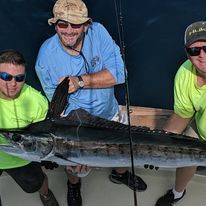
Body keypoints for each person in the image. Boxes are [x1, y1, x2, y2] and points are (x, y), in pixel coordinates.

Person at [35, 0, 147, 205]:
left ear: (86, 25)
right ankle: (74, 185)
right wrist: (75, 149)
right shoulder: (45, 59)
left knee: (123, 153)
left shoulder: (99, 32)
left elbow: (121, 74)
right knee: (74, 168)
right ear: (55, 25)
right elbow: (58, 108)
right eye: (62, 24)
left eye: (75, 25)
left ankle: (120, 174)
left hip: (110, 113)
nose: (68, 31)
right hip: (79, 127)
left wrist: (80, 81)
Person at [155, 21, 206, 206]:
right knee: (186, 155)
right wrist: (158, 145)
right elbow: (183, 114)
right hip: (201, 130)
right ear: (187, 53)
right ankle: (178, 193)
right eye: (194, 51)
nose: (202, 55)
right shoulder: (185, 73)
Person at [0, 49, 59, 206]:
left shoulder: (37, 101)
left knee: (37, 184)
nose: (12, 84)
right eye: (5, 76)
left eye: (19, 78)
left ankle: (45, 195)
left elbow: (43, 136)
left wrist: (48, 157)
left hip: (22, 159)